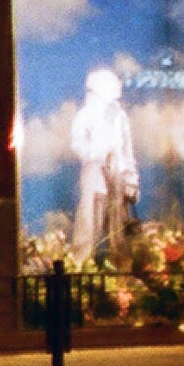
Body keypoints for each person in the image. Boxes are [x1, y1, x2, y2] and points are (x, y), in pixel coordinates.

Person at [66, 67, 138, 262]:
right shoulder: (85, 115)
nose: (117, 88)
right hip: (96, 180)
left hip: (118, 180)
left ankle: (120, 269)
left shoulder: (120, 116)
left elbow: (127, 151)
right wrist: (100, 151)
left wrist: (131, 180)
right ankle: (82, 265)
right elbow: (78, 147)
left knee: (118, 230)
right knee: (90, 227)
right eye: (112, 84)